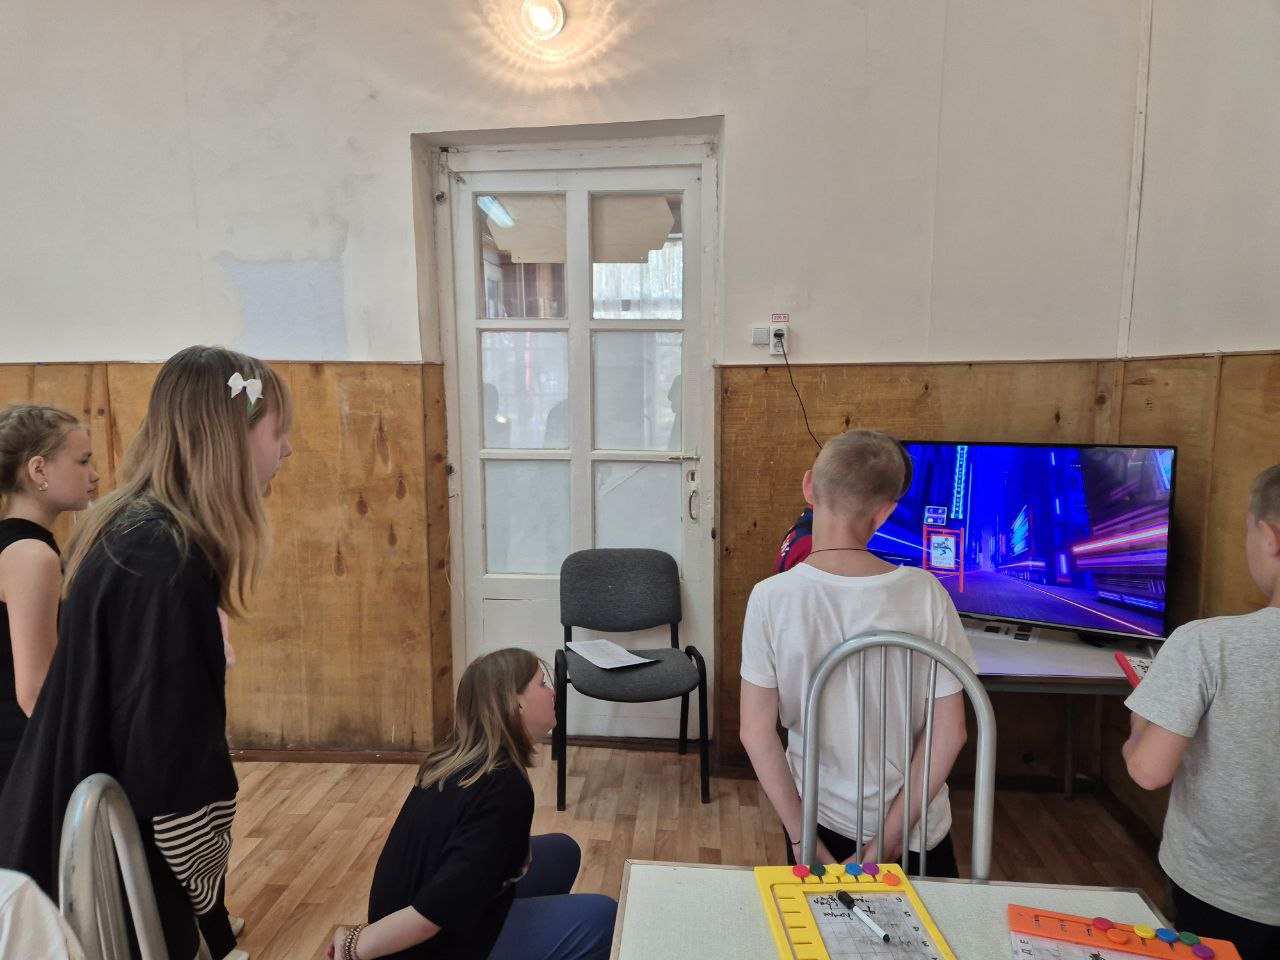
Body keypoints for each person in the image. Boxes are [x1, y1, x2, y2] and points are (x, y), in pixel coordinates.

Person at [0, 346, 293, 960]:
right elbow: (168, 760)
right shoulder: (164, 558)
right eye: (277, 432)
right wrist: (203, 889)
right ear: (233, 439)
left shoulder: (141, 530)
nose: (286, 450)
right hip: (109, 854)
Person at [739, 429, 977, 875]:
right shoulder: (927, 593)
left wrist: (800, 837)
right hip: (915, 830)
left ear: (809, 486)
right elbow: (951, 732)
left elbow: (756, 732)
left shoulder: (770, 598)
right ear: (886, 512)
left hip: (819, 818)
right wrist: (888, 841)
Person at [331, 648, 616, 960]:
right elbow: (437, 909)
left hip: (425, 907)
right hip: (429, 940)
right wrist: (355, 945)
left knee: (563, 850)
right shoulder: (504, 788)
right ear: (516, 703)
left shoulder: (458, 759)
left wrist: (508, 852)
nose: (552, 692)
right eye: (542, 683)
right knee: (603, 916)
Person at [1122, 464, 1280, 960]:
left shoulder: (1208, 644)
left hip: (1222, 894)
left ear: (1270, 538)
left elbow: (1147, 770)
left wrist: (1141, 719)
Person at [0, 404, 98, 789]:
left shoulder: (25, 547)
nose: (95, 474)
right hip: (18, 758)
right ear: (38, 469)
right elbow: (36, 691)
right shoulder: (31, 556)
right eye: (83, 461)